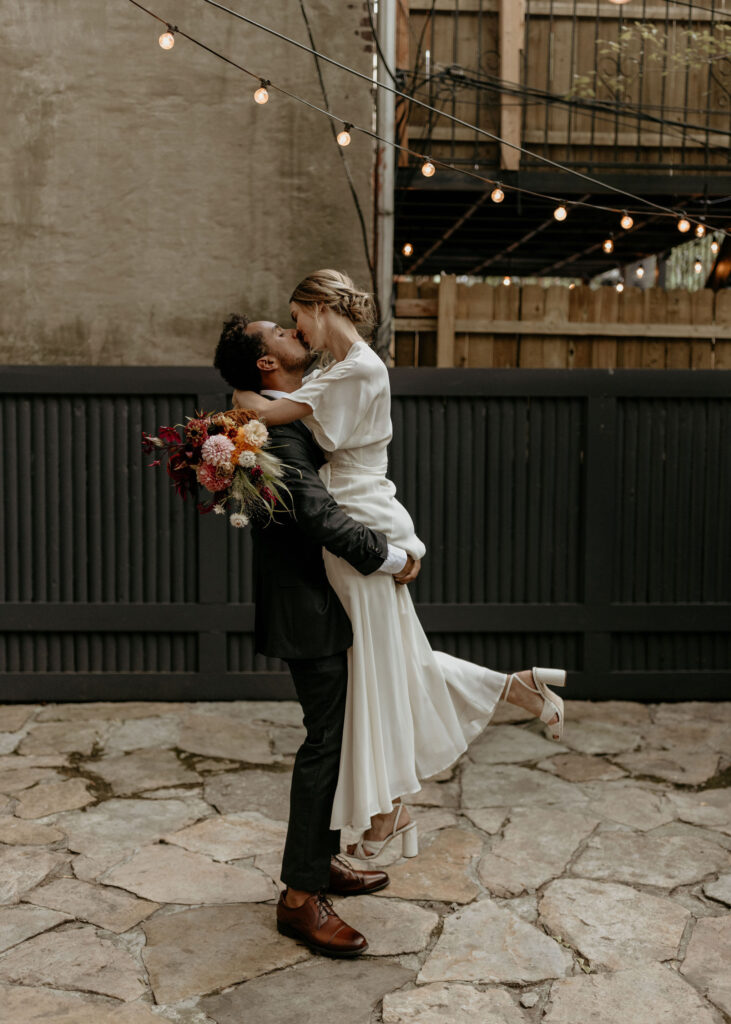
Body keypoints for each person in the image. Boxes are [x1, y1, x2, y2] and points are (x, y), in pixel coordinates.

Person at [234, 270, 568, 861]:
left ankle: (389, 808)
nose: (296, 330)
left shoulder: (358, 368)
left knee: (378, 667)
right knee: (387, 661)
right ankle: (505, 698)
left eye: (296, 317)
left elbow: (266, 411)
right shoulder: (336, 369)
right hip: (359, 511)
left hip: (358, 514)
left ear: (317, 307)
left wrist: (237, 401)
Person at [213, 314, 417, 958]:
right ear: (265, 362)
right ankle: (300, 899)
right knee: (326, 742)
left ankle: (319, 859)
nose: (291, 330)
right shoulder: (264, 431)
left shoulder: (279, 406)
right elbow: (314, 512)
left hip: (328, 598)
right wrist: (391, 556)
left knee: (336, 733)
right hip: (309, 605)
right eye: (277, 330)